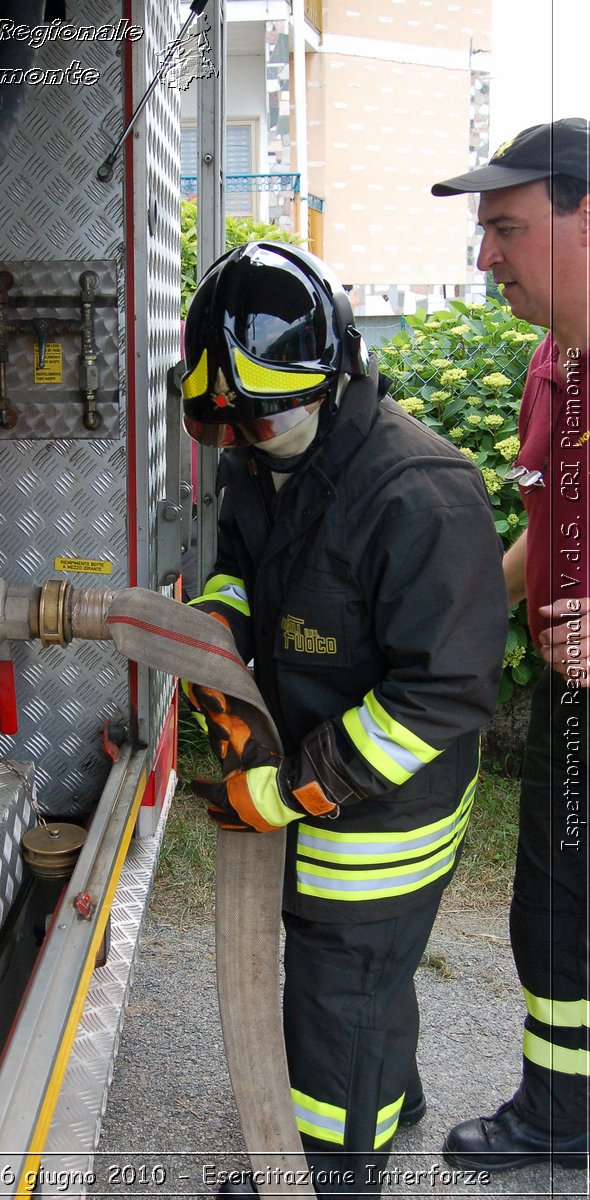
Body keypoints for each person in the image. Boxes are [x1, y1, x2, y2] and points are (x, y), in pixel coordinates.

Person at [179, 241, 509, 1196]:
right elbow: (242, 560)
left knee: (340, 978)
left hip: (388, 799)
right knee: (364, 977)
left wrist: (293, 786)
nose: (241, 440)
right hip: (316, 774)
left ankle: (329, 1166)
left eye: (261, 417)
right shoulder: (272, 458)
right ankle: (385, 1095)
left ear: (334, 375)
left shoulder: (419, 491)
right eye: (225, 425)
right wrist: (220, 622)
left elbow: (441, 691)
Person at [431, 117, 590, 1172]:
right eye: (485, 232)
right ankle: (561, 1115)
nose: (484, 256)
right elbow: (549, 525)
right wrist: (460, 630)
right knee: (557, 914)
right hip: (570, 705)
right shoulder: (553, 365)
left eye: (507, 228)